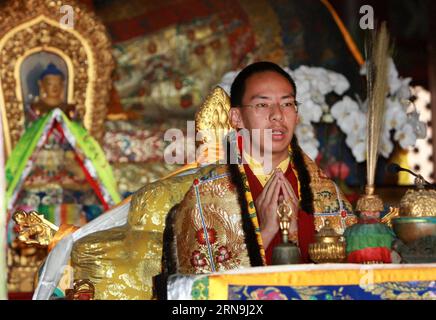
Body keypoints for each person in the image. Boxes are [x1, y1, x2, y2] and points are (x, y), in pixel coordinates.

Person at [34, 62, 357, 300]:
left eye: (287, 104)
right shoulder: (207, 195)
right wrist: (266, 230)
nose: (277, 115)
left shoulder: (323, 190)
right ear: (236, 118)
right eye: (262, 105)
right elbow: (193, 294)